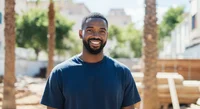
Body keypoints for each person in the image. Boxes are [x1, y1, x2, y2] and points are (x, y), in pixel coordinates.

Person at [41, 12, 141, 109]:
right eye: (90, 30)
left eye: (102, 31)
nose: (96, 35)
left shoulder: (122, 73)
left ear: (107, 35)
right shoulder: (60, 73)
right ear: (80, 33)